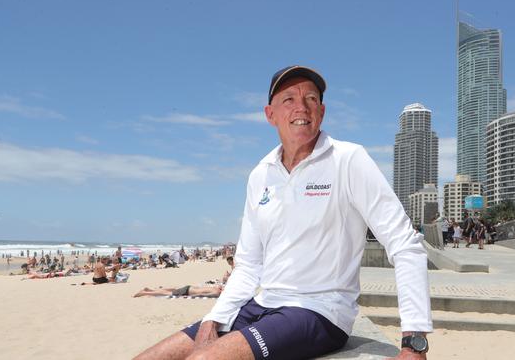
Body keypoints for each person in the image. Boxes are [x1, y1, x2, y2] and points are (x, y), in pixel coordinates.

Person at [133, 66, 431, 360]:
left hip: (320, 310)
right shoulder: (261, 173)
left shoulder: (348, 160)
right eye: (288, 99)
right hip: (262, 304)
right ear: (270, 114)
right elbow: (249, 263)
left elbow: (404, 243)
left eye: (311, 99)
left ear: (322, 112)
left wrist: (413, 341)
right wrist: (215, 316)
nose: (301, 107)